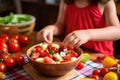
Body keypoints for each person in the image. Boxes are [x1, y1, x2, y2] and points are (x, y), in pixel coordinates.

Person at [36, 0, 120, 57]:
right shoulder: (65, 2)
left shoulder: (106, 2)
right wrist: (52, 29)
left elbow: (117, 31)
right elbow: (60, 25)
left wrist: (88, 34)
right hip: (73, 55)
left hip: (100, 57)